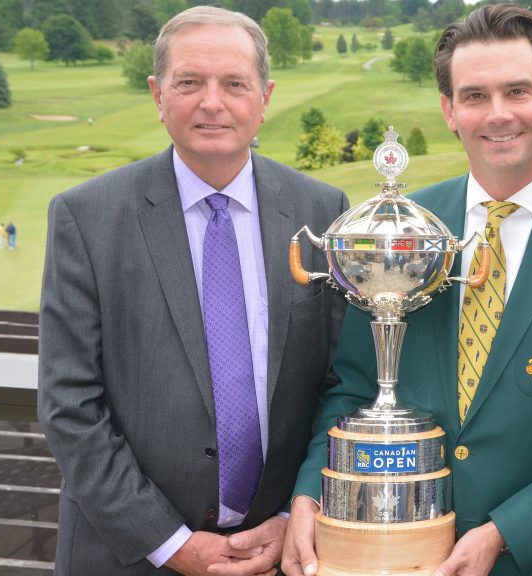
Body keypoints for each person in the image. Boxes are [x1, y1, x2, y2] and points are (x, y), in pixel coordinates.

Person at [282, 5, 532, 576]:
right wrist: (311, 492)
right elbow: (354, 389)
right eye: (475, 96)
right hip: (390, 554)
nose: (499, 114)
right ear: (449, 110)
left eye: (518, 91)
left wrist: (505, 533)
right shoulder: (399, 230)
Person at [37, 7, 348, 575]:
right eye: (189, 83)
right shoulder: (86, 218)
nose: (212, 102)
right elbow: (69, 407)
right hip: (126, 555)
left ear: (265, 96)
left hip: (283, 551)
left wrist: (293, 512)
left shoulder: (322, 212)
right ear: (158, 95)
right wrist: (169, 542)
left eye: (234, 83)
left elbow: (341, 381)